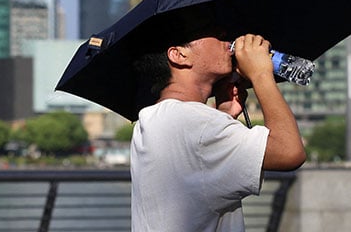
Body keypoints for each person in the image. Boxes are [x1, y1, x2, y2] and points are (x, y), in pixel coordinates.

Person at [130, 32, 306, 231]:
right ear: (179, 55)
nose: (225, 38)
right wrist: (261, 75)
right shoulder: (195, 123)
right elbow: (289, 151)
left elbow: (197, 175)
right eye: (211, 31)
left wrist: (224, 114)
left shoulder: (151, 119)